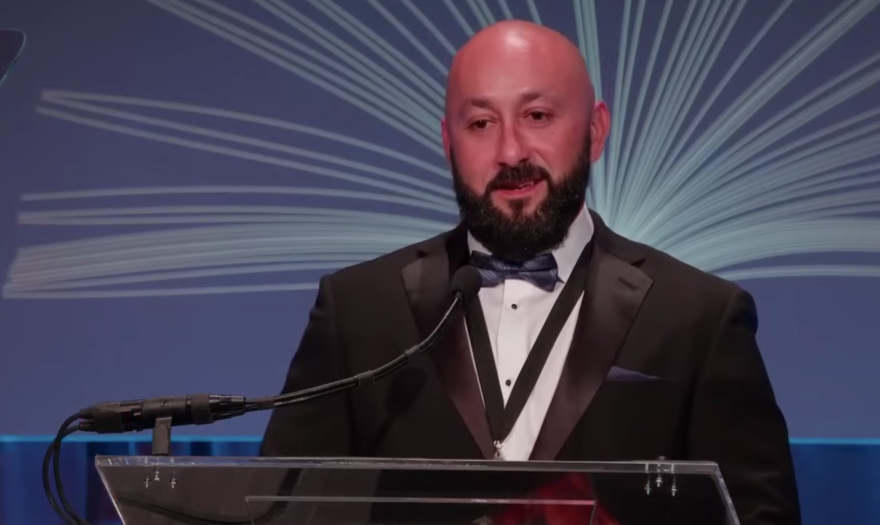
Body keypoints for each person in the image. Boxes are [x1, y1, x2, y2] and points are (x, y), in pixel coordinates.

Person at [260, 20, 802, 525]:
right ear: (448, 144)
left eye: (537, 116)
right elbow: (279, 509)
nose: (510, 150)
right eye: (480, 123)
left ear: (595, 130)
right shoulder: (357, 306)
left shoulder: (699, 317)